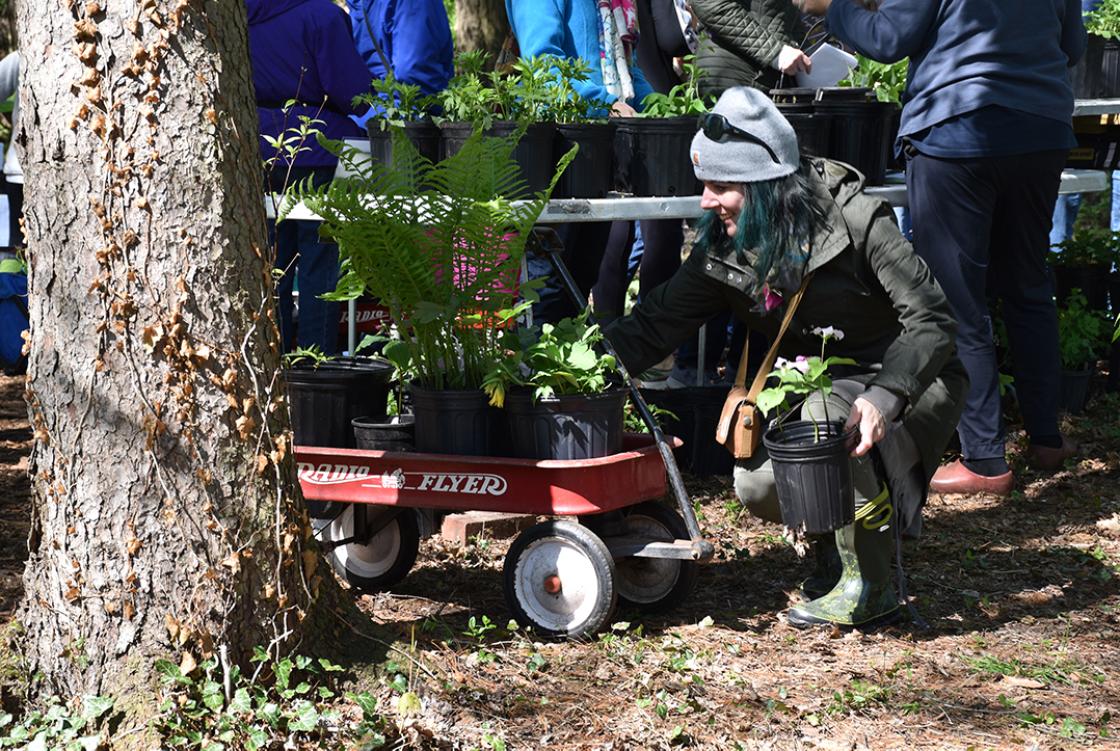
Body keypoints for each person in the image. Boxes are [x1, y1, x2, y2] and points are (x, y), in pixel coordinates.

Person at [605, 87, 967, 628]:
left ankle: (872, 584)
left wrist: (886, 394)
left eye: (722, 187)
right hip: (813, 388)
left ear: (767, 187)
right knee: (758, 484)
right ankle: (834, 550)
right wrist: (579, 369)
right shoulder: (726, 247)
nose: (705, 200)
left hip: (906, 379)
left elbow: (933, 322)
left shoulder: (860, 219)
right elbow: (656, 324)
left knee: (827, 423)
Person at [799, 0, 1086, 496]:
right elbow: (1074, 47)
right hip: (1041, 127)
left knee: (956, 300)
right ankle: (1047, 440)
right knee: (1028, 286)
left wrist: (838, 7)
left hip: (957, 129)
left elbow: (888, 40)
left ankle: (985, 460)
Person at [506, 0, 655, 323]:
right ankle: (537, 368)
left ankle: (568, 367)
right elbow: (543, 66)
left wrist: (659, 108)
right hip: (554, 149)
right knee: (547, 283)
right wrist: (605, 104)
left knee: (583, 272)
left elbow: (628, 72)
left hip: (600, 151)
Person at [246, 0, 371, 354]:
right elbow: (354, 94)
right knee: (319, 263)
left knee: (273, 264)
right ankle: (317, 364)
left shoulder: (233, 17)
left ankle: (275, 360)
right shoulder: (322, 16)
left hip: (260, 146)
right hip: (318, 146)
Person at [345, 0, 453, 127]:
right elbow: (413, 72)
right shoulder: (413, 4)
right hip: (408, 122)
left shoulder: (357, 6)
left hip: (368, 121)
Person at [690, 0, 812, 98]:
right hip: (731, 81)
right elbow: (708, 3)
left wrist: (810, 60)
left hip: (764, 82)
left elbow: (783, 18)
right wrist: (774, 52)